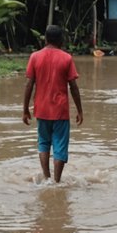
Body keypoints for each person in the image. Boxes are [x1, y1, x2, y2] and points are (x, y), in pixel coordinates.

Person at [23, 25, 84, 183]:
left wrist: (24, 109)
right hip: (60, 110)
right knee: (60, 146)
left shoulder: (35, 57)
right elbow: (74, 87)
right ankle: (56, 182)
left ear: (46, 38)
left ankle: (46, 178)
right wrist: (80, 110)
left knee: (43, 143)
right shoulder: (66, 58)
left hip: (41, 109)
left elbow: (29, 84)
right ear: (60, 40)